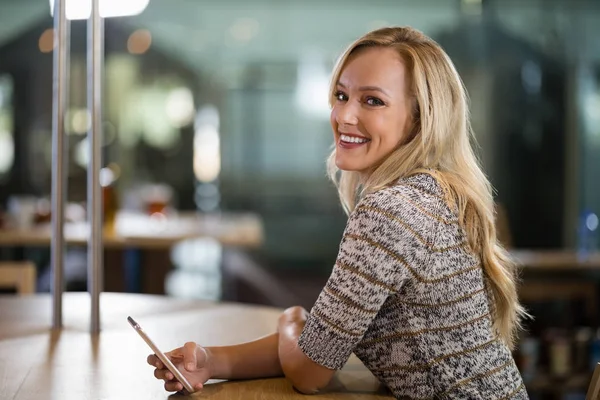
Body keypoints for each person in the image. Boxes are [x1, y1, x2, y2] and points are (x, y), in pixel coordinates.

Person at [147, 26, 528, 399]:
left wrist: (290, 320)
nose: (345, 116)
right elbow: (322, 344)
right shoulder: (437, 195)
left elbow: (308, 371)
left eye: (372, 101)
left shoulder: (391, 212)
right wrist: (211, 362)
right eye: (342, 96)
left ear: (419, 119)